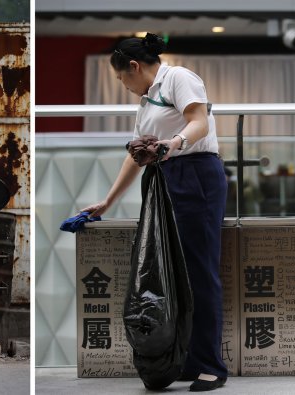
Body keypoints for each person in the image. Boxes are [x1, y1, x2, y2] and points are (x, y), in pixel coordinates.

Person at [79, 33, 228, 392]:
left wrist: (172, 143)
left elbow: (199, 122)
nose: (122, 86)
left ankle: (211, 365)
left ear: (134, 67)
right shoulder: (146, 102)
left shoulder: (178, 78)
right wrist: (108, 201)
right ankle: (185, 358)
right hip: (161, 179)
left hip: (195, 174)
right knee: (169, 274)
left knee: (198, 270)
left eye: (121, 79)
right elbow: (136, 159)